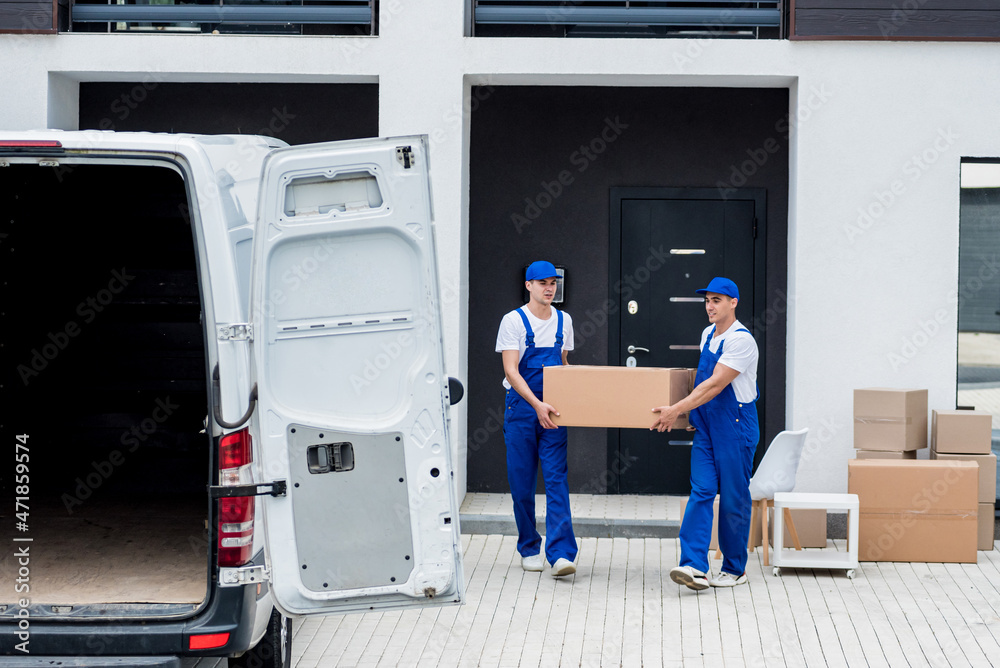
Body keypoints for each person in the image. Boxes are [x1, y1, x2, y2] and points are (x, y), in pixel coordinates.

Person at [651, 277, 759, 590]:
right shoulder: (707, 334)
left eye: (717, 300)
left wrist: (676, 409)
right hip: (708, 427)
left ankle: (735, 569)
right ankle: (694, 565)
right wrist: (695, 413)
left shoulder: (742, 341)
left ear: (733, 302)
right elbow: (702, 380)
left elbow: (715, 384)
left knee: (733, 499)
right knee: (701, 491)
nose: (710, 306)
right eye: (707, 300)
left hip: (736, 426)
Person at [495, 260, 578, 577]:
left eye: (553, 282)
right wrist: (536, 404)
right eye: (542, 282)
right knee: (522, 482)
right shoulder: (513, 321)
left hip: (554, 410)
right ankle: (529, 546)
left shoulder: (564, 320)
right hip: (522, 408)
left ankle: (561, 554)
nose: (549, 287)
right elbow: (511, 370)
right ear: (528, 285)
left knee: (557, 479)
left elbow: (564, 362)